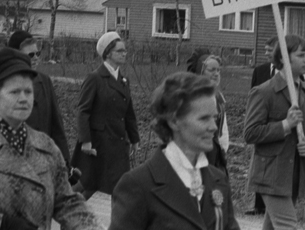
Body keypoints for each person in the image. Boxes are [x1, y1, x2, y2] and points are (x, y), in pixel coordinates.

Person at [0, 48, 102, 230]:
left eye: (28, 92)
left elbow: (66, 203)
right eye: (15, 92)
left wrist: (92, 227)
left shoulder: (46, 147)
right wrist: (1, 225)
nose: (24, 99)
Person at [109, 71, 239, 230]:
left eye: (215, 118)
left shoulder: (218, 180)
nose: (213, 127)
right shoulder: (139, 185)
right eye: (204, 118)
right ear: (174, 121)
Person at [243, 34, 305, 230]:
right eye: (301, 55)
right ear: (283, 58)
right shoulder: (264, 92)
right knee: (287, 225)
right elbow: (250, 133)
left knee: (272, 226)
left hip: (294, 174)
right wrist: (285, 125)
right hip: (270, 173)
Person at [71, 31, 140, 199]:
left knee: (115, 187)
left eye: (125, 50)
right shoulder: (95, 78)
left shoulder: (124, 81)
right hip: (98, 144)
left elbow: (128, 112)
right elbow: (83, 111)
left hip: (118, 143)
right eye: (120, 51)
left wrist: (134, 138)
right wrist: (85, 141)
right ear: (108, 53)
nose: (125, 54)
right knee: (89, 184)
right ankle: (64, 211)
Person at [7, 30, 70, 165]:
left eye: (38, 53)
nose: (36, 58)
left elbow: (57, 125)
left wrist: (64, 161)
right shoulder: (3, 85)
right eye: (30, 55)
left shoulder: (45, 81)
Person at [247, 36, 278, 215]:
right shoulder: (260, 70)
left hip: (278, 125)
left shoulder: (288, 72)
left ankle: (272, 207)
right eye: (265, 50)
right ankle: (258, 205)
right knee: (259, 164)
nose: (266, 53)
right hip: (260, 125)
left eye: (269, 50)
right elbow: (252, 96)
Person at [199, 54, 229, 176]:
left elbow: (223, 129)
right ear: (201, 72)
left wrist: (223, 149)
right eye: (211, 70)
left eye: (218, 70)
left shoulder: (219, 97)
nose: (216, 74)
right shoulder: (194, 98)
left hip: (215, 154)